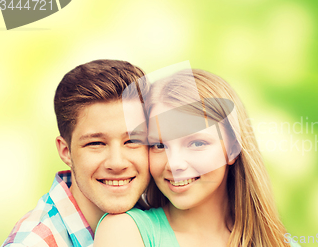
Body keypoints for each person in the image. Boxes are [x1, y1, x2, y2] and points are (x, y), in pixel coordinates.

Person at [94, 69, 299, 247]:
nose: (175, 164)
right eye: (159, 145)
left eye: (197, 144)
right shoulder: (125, 231)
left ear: (233, 149)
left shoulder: (281, 243)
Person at [2, 60, 151, 247]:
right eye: (96, 143)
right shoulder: (34, 242)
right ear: (65, 152)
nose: (117, 162)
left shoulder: (161, 211)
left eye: (133, 141)